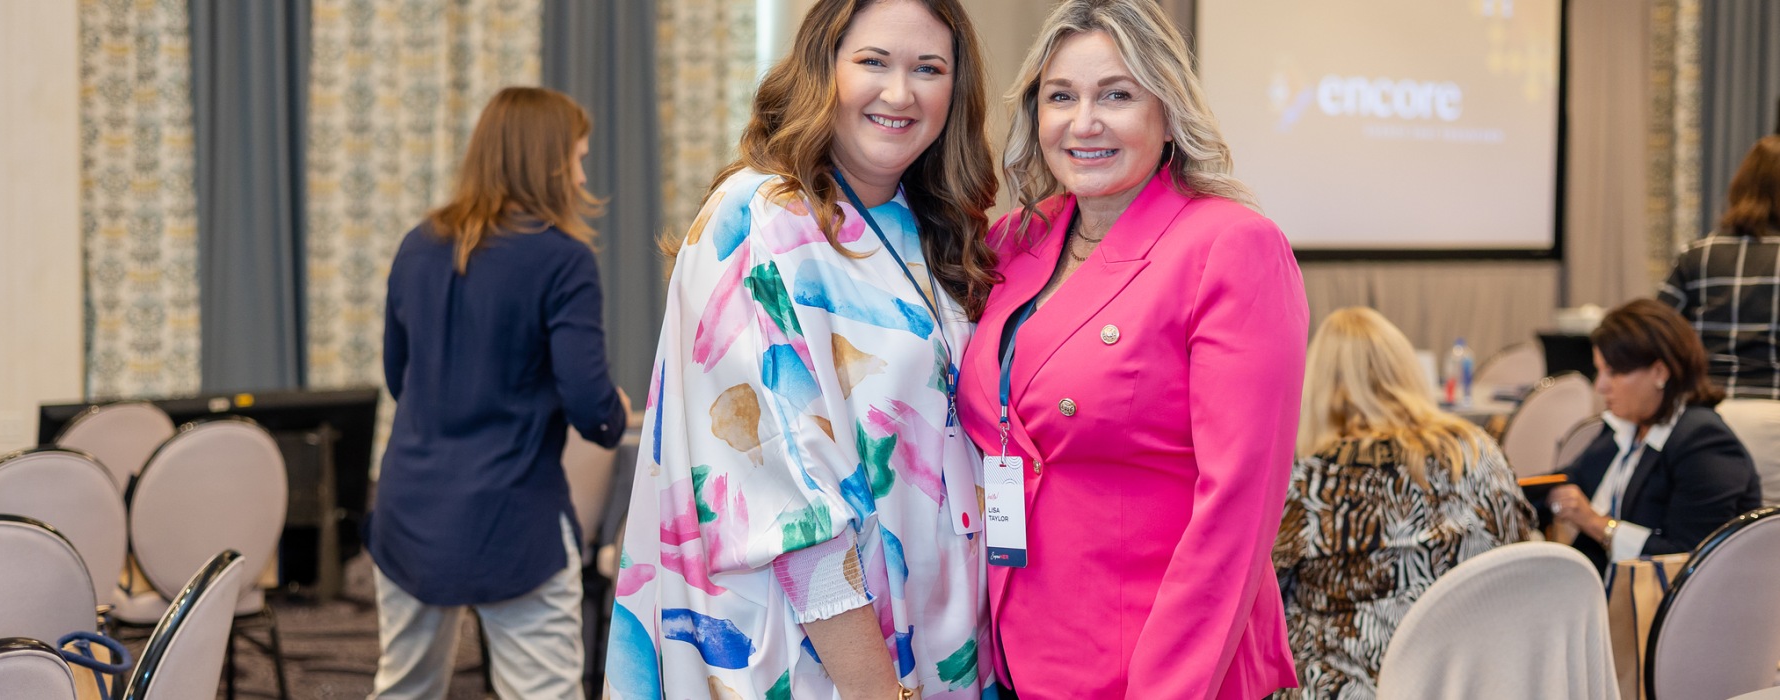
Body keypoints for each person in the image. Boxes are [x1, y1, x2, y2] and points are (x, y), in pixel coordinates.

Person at [605, 1, 999, 698]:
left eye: (928, 69)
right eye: (873, 62)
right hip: (817, 660)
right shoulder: (759, 216)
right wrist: (876, 690)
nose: (900, 92)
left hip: (938, 646)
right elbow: (788, 506)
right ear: (824, 67)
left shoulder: (925, 225)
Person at [952, 1, 1309, 696]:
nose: (1084, 122)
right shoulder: (1016, 242)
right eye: (1062, 97)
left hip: (1161, 666)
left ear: (1167, 111)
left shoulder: (1231, 246)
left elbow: (1237, 507)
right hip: (1024, 654)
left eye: (1116, 95)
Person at [367, 86, 630, 699]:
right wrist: (615, 413)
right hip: (514, 523)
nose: (583, 172)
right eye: (578, 157)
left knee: (403, 689)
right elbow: (593, 410)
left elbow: (398, 376)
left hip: (410, 512)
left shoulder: (417, 245)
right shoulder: (564, 261)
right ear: (547, 161)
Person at [1273, 307, 1536, 699]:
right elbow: (1518, 551)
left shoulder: (1309, 480)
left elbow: (1264, 596)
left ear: (1317, 384)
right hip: (1468, 676)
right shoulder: (1478, 452)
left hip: (1343, 686)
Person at [1546, 299, 1762, 574]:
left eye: (1613, 372)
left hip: (1671, 607)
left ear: (1660, 372)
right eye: (1599, 370)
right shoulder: (1628, 425)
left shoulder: (1704, 442)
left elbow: (1690, 558)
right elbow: (1566, 479)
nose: (1600, 386)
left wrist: (1596, 524)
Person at [1658, 135, 1780, 504]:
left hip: (1707, 420)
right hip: (1775, 418)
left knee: (1715, 539)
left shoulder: (1696, 255)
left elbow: (1655, 334)